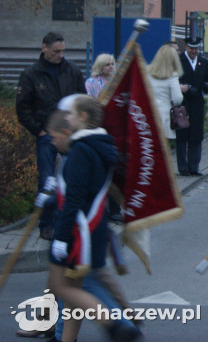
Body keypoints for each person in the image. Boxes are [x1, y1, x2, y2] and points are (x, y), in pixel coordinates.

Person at [46, 98, 141, 342]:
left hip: (79, 230)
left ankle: (116, 325)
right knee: (75, 290)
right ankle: (67, 338)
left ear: (83, 117)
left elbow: (75, 198)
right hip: (92, 227)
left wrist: (61, 237)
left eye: (71, 114)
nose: (67, 117)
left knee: (65, 287)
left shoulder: (82, 150)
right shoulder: (97, 145)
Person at [16, 31, 86, 239]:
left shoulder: (72, 70)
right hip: (46, 134)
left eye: (63, 51)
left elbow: (82, 99)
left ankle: (68, 220)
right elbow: (23, 107)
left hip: (69, 133)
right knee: (47, 180)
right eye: (56, 51)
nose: (60, 55)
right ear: (44, 48)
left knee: (71, 178)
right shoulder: (31, 74)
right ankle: (46, 224)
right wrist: (38, 129)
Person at [177, 36, 208, 176]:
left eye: (196, 48)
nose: (194, 51)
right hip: (182, 103)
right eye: (191, 48)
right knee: (182, 135)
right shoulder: (179, 60)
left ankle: (194, 167)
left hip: (197, 102)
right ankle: (182, 167)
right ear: (186, 47)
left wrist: (207, 86)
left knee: (196, 135)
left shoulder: (203, 61)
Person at [147, 43, 184, 135]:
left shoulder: (147, 73)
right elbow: (177, 99)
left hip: (148, 115)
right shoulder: (172, 76)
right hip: (165, 118)